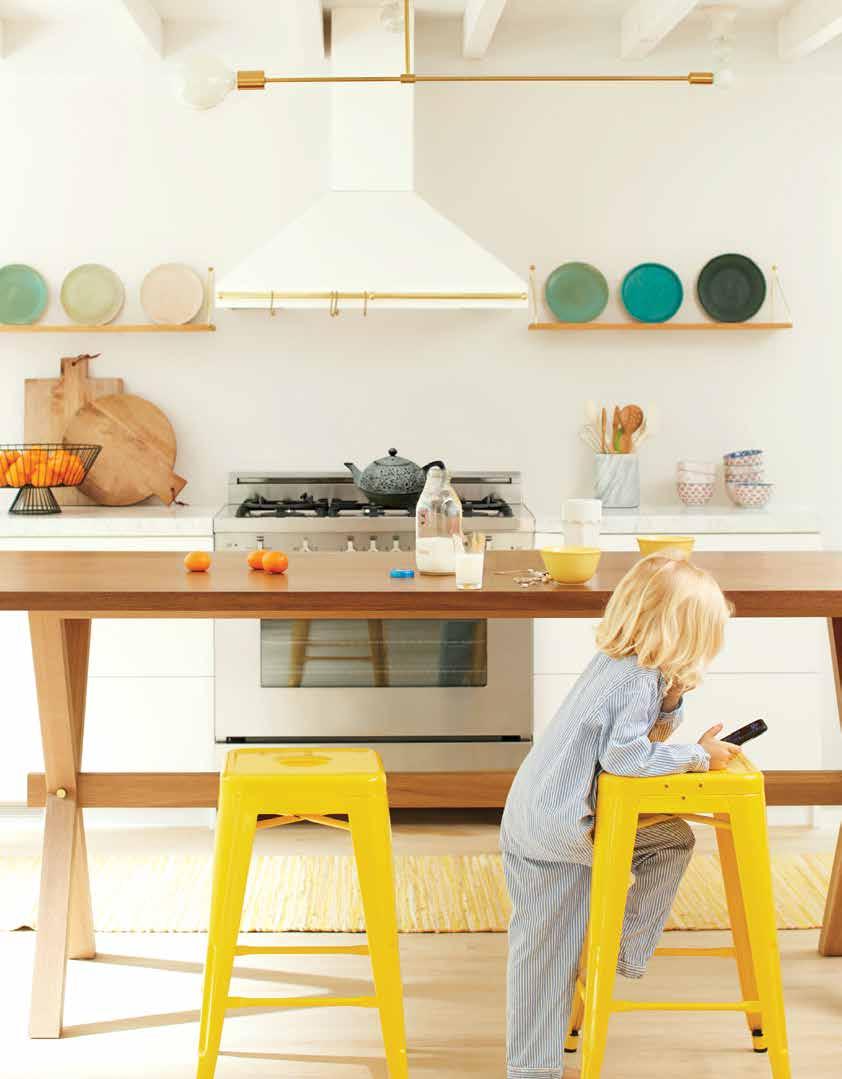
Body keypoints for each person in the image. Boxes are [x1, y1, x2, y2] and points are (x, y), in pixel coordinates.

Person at [500, 552, 739, 1079]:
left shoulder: (624, 666)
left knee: (668, 842)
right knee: (546, 953)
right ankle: (540, 1058)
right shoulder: (633, 679)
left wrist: (672, 699)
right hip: (559, 828)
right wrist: (698, 756)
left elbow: (633, 741)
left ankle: (615, 955)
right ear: (682, 634)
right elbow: (627, 760)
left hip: (540, 816)